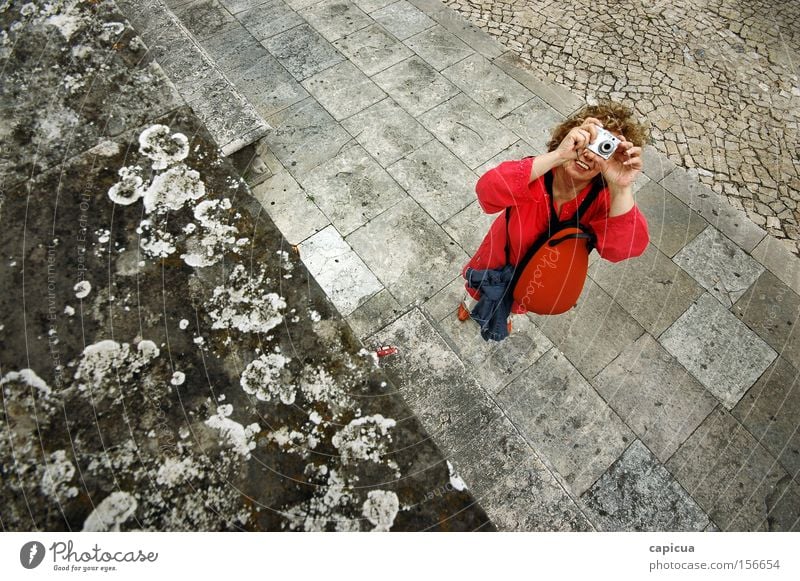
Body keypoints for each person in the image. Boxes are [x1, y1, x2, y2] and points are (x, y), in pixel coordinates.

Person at [459, 101, 650, 328]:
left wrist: (621, 187)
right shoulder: (537, 173)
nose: (589, 155)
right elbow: (487, 193)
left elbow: (624, 249)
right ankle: (469, 305)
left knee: (517, 300)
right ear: (571, 135)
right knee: (476, 291)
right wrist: (559, 155)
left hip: (537, 274)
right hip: (499, 255)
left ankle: (506, 313)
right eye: (589, 139)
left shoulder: (602, 201)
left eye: (605, 149)